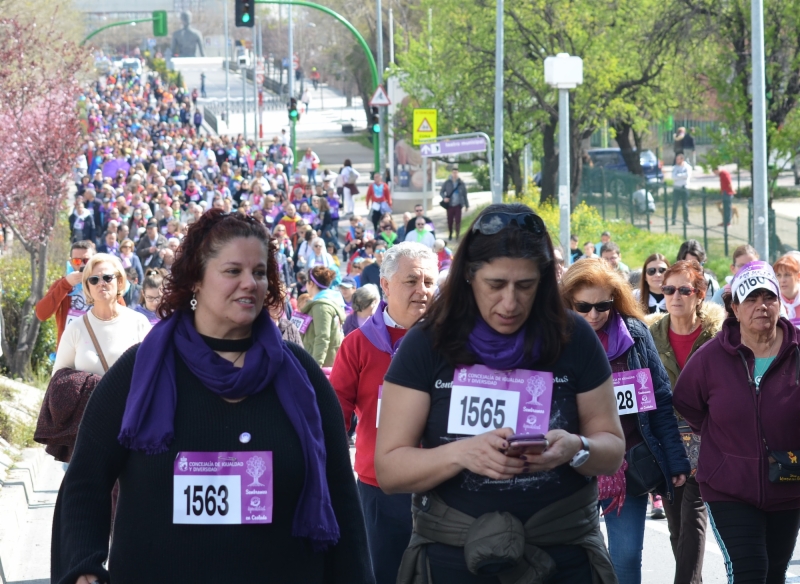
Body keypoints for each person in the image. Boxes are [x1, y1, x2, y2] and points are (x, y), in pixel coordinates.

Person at [51, 209, 373, 584]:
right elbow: (84, 481)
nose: (250, 283)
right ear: (196, 280)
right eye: (233, 271)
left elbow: (342, 500)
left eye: (259, 272)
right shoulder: (140, 371)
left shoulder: (300, 374)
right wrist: (83, 568)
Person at [375, 204, 625, 583]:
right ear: (469, 277)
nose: (510, 303)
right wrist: (461, 453)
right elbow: (390, 469)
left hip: (563, 558)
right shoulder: (427, 343)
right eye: (495, 285)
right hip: (453, 562)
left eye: (525, 286)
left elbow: (611, 448)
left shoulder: (574, 338)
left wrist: (576, 447)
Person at [560, 258, 689, 584]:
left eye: (603, 305)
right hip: (568, 470)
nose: (594, 314)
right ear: (567, 301)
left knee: (627, 557)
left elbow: (659, 400)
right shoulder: (551, 341)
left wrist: (674, 459)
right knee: (574, 559)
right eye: (584, 306)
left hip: (626, 466)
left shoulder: (635, 335)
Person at [673, 261, 800, 584]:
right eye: (751, 299)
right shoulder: (711, 357)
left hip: (788, 484)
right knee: (749, 572)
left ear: (779, 303)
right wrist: (723, 442)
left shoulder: (796, 351)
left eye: (769, 298)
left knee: (774, 573)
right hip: (728, 487)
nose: (762, 306)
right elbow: (687, 403)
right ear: (734, 307)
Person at [332, 243, 438, 584]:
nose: (422, 291)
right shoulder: (358, 344)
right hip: (381, 488)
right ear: (386, 285)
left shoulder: (454, 342)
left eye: (429, 283)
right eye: (411, 281)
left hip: (444, 483)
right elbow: (337, 415)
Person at [648, 260, 726, 584]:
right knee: (675, 525)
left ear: (700, 294)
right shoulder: (649, 335)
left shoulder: (717, 336)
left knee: (693, 517)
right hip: (666, 439)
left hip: (706, 436)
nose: (675, 296)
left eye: (684, 289)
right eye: (669, 289)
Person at [53, 253, 151, 377]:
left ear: (120, 281)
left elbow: (152, 372)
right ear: (88, 286)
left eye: (107, 278)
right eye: (94, 280)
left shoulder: (139, 322)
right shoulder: (75, 328)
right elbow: (58, 379)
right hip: (89, 397)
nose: (101, 283)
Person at [35, 241, 114, 348]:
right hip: (70, 350)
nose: (82, 265)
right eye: (76, 261)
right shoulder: (63, 284)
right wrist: (65, 285)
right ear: (70, 262)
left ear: (95, 261)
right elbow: (41, 314)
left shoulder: (105, 283)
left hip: (100, 349)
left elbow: (121, 314)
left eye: (86, 260)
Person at [301, 266, 346, 367]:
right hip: (330, 362)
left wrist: (315, 368)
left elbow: (322, 338)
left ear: (311, 283)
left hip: (323, 366)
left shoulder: (321, 306)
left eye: (307, 281)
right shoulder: (332, 301)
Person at [439, 166, 469, 241]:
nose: (455, 174)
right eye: (453, 172)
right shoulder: (447, 182)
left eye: (456, 172)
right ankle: (450, 233)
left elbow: (465, 194)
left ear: (458, 173)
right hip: (450, 205)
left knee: (458, 221)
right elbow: (441, 192)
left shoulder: (461, 183)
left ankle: (457, 235)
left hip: (458, 205)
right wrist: (444, 198)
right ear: (451, 173)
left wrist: (466, 205)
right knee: (450, 221)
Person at [774, 254, 800, 327]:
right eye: (778, 275)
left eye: (787, 275)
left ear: (798, 276)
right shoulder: (773, 302)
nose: (782, 280)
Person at [671, 153, 692, 226]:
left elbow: (687, 176)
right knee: (675, 204)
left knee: (685, 205)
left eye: (678, 159)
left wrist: (678, 176)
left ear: (682, 159)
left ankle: (686, 220)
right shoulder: (675, 167)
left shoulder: (687, 167)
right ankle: (673, 220)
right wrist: (681, 176)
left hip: (684, 187)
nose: (676, 160)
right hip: (676, 187)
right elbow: (673, 177)